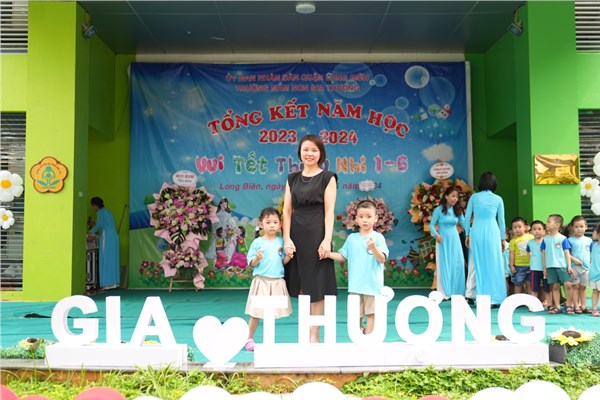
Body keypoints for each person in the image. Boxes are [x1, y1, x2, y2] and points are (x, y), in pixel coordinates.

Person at [283, 134, 338, 343]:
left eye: (314, 150)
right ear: (300, 152)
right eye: (306, 149)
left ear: (320, 154)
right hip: (296, 234)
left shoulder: (328, 177)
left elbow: (329, 211)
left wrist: (326, 240)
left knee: (317, 284)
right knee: (301, 284)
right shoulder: (292, 178)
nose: (309, 153)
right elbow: (286, 210)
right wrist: (287, 239)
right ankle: (305, 329)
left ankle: (315, 333)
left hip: (317, 234)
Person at [328, 200, 389, 334]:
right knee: (356, 315)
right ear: (356, 219)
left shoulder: (378, 238)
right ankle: (358, 336)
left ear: (376, 218)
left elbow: (382, 258)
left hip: (372, 286)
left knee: (371, 314)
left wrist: (373, 248)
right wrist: (328, 254)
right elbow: (343, 255)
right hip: (355, 285)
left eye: (369, 216)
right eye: (361, 216)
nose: (365, 220)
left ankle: (368, 337)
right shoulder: (352, 238)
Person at [244, 207, 292, 351]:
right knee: (256, 313)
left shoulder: (281, 242)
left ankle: (269, 339)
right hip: (261, 282)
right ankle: (248, 338)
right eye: (268, 222)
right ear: (261, 224)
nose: (272, 225)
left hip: (277, 282)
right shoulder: (257, 242)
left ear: (280, 224)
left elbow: (283, 262)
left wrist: (289, 256)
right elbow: (251, 263)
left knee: (272, 314)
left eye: (275, 222)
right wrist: (257, 258)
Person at [464, 172, 506, 307]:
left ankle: (478, 297)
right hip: (493, 231)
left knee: (477, 264)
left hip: (476, 231)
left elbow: (466, 218)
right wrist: (502, 239)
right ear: (494, 183)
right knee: (493, 264)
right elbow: (501, 221)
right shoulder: (498, 199)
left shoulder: (474, 197)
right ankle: (494, 298)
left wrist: (467, 234)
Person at [429, 186, 466, 299]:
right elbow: (431, 225)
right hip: (442, 240)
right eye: (453, 196)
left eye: (457, 197)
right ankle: (445, 292)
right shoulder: (439, 210)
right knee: (444, 265)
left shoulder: (457, 210)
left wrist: (472, 233)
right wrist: (436, 234)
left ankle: (457, 291)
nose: (455, 199)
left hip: (455, 240)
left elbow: (464, 224)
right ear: (446, 196)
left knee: (458, 264)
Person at [542, 214, 573, 314]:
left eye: (549, 221)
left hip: (562, 266)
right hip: (551, 267)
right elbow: (543, 253)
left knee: (568, 285)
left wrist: (569, 266)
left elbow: (567, 253)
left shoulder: (563, 238)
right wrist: (544, 268)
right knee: (555, 286)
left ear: (556, 225)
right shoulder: (545, 239)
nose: (546, 223)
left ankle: (569, 305)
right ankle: (557, 307)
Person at [88, 197, 120, 290]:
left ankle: (107, 284)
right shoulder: (108, 212)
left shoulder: (100, 212)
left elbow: (100, 225)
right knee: (112, 259)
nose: (93, 208)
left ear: (95, 205)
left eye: (93, 206)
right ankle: (114, 283)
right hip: (114, 236)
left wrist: (90, 232)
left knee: (105, 258)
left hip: (107, 237)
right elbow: (104, 224)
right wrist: (94, 225)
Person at [568, 215, 592, 313]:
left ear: (586, 227)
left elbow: (592, 253)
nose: (579, 229)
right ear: (572, 228)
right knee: (575, 287)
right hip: (574, 268)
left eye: (581, 226)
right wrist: (574, 260)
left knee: (583, 287)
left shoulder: (589, 240)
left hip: (586, 268)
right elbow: (566, 254)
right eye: (576, 227)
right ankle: (576, 306)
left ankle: (583, 306)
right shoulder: (570, 240)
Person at [526, 220, 550, 308]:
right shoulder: (530, 243)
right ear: (531, 231)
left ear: (544, 231)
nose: (537, 231)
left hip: (546, 269)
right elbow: (528, 252)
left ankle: (549, 304)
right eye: (534, 229)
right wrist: (531, 260)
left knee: (547, 288)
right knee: (534, 288)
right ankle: (534, 305)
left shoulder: (547, 241)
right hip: (534, 269)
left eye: (539, 229)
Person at [509, 217, 534, 295]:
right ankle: (516, 299)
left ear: (525, 227)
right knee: (518, 283)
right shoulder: (513, 241)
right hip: (519, 266)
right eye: (515, 227)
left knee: (530, 284)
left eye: (519, 227)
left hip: (531, 265)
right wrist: (511, 265)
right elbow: (511, 254)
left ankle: (530, 300)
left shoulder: (531, 237)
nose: (517, 229)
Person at [589, 223, 600, 317]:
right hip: (594, 274)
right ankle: (594, 309)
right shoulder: (594, 246)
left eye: (594, 231)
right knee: (595, 291)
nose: (592, 233)